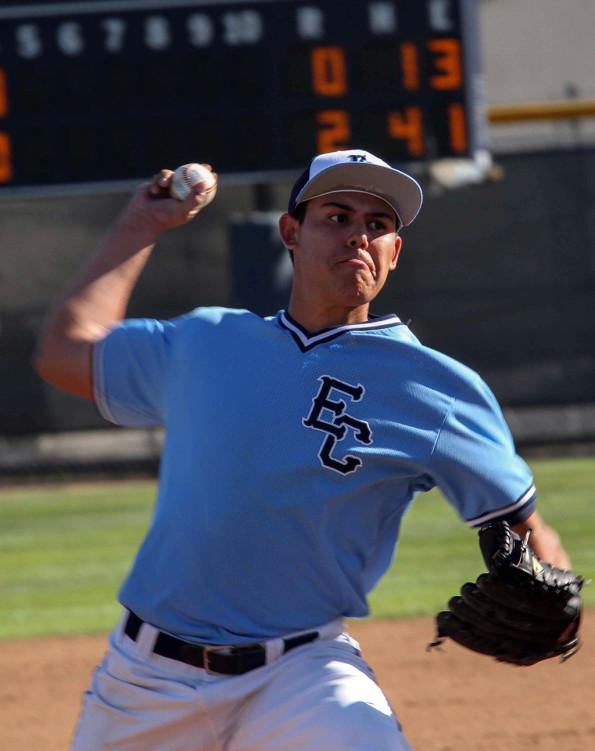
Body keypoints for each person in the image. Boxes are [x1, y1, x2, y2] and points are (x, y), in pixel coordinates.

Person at [35, 149, 571, 751]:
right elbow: (64, 352)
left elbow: (525, 528)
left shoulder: (437, 388)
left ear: (396, 253)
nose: (358, 237)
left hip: (304, 676)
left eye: (378, 225)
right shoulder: (207, 341)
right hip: (145, 681)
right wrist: (141, 225)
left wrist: (558, 596)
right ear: (291, 233)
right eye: (337, 217)